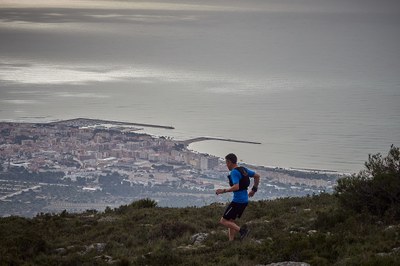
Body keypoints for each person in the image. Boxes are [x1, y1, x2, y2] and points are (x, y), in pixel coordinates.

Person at [216, 153, 261, 241]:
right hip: (244, 201)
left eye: (226, 163)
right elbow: (257, 176)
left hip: (237, 201)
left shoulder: (234, 172)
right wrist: (254, 189)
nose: (226, 165)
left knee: (223, 221)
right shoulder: (243, 169)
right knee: (231, 221)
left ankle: (243, 231)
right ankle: (231, 241)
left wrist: (223, 190)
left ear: (229, 162)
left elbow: (236, 187)